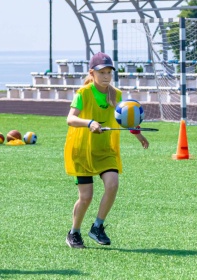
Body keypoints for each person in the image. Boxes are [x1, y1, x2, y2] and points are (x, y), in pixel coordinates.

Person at [64, 52, 149, 249]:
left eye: (109, 72)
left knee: (112, 184)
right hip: (82, 150)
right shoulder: (83, 93)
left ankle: (97, 227)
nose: (106, 76)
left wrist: (138, 134)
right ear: (92, 73)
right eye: (102, 72)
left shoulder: (116, 94)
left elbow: (124, 117)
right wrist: (89, 123)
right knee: (86, 197)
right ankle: (74, 232)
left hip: (105, 150)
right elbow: (70, 119)